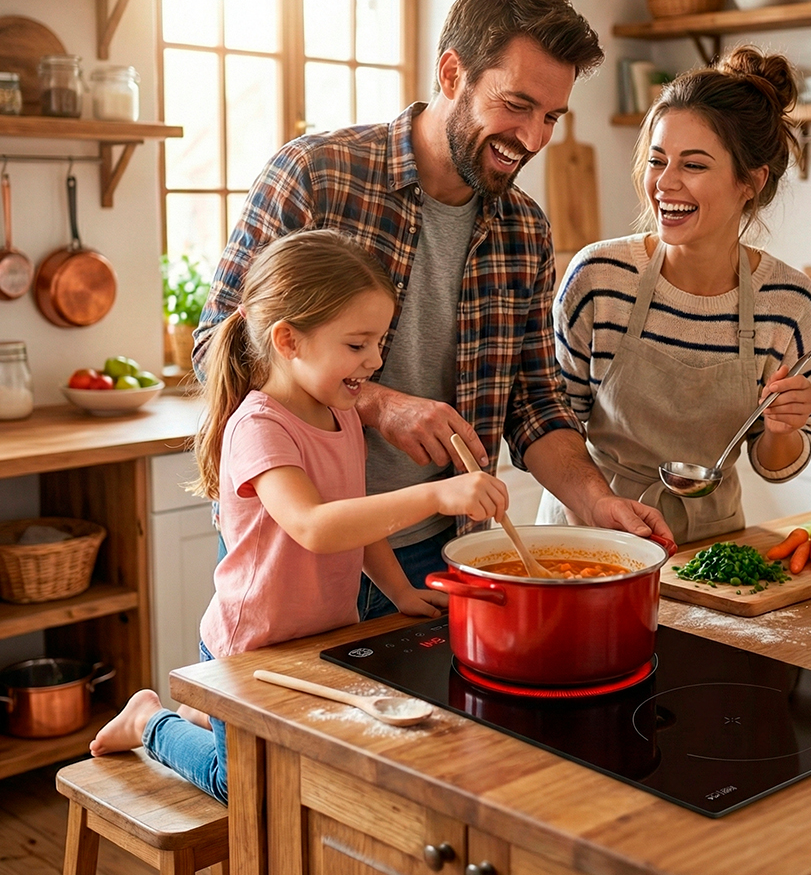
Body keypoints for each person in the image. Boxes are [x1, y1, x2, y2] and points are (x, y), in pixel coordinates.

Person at [194, 0, 672, 620]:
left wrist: (596, 502)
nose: (534, 139)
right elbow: (220, 346)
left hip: (437, 550)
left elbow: (534, 403)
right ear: (452, 74)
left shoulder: (524, 229)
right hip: (293, 553)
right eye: (517, 105)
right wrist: (379, 404)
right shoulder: (318, 175)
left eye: (551, 117)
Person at [89, 229, 508, 803]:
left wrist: (400, 593)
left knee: (304, 776)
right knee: (242, 787)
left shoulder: (344, 414)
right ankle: (149, 720)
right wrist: (437, 496)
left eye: (379, 342)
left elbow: (355, 520)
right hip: (251, 646)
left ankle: (210, 718)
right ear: (288, 340)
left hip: (318, 638)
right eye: (357, 345)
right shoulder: (259, 427)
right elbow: (315, 525)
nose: (376, 360)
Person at [541, 46, 811, 545]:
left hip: (710, 547)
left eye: (693, 165)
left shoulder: (788, 303)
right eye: (657, 160)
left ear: (750, 182)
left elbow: (775, 466)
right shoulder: (600, 278)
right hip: (589, 535)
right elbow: (552, 422)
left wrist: (784, 428)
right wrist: (596, 508)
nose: (665, 183)